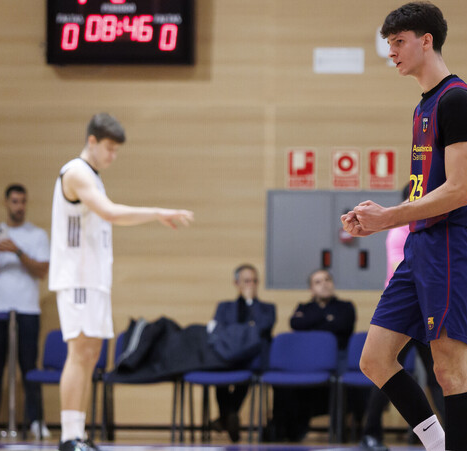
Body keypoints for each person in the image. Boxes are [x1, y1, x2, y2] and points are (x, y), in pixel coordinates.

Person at [341, 3, 467, 450]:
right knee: (375, 358)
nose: (392, 52)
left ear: (427, 40)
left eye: (399, 42)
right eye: (389, 44)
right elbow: (428, 190)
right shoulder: (423, 105)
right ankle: (438, 444)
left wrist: (390, 218)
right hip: (421, 247)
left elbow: (459, 191)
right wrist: (379, 215)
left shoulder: (457, 100)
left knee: (447, 368)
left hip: (451, 245)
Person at [49, 113, 194, 451]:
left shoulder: (94, 177)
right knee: (79, 351)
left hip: (95, 278)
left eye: (117, 150)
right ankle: (69, 436)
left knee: (91, 353)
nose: (113, 156)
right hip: (78, 278)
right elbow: (111, 213)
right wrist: (158, 212)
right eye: (109, 148)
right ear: (92, 142)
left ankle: (79, 431)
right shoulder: (76, 172)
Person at [359, 184, 467, 451]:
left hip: (434, 283)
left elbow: (459, 190)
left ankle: (457, 437)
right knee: (377, 364)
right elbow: (395, 264)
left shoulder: (432, 220)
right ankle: (374, 434)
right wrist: (381, 219)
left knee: (442, 372)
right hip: (411, 294)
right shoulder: (402, 228)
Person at [0, 184, 51, 439]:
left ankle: (36, 420)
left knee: (28, 366)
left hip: (27, 311)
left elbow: (42, 270)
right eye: (15, 202)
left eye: (23, 202)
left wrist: (17, 251)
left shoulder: (37, 235)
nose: (19, 207)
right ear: (6, 203)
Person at [268, 269, 357, 442]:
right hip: (305, 364)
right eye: (318, 281)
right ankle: (283, 432)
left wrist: (313, 321)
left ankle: (341, 431)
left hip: (336, 361)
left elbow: (343, 325)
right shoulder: (304, 306)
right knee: (283, 383)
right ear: (311, 289)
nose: (324, 284)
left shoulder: (345, 307)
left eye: (327, 279)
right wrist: (327, 318)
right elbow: (296, 323)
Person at [210, 264, 275, 442]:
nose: (251, 285)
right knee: (218, 371)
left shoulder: (267, 308)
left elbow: (264, 327)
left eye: (254, 281)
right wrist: (248, 329)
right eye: (246, 281)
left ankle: (225, 418)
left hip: (253, 356)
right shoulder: (224, 307)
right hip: (227, 354)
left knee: (248, 369)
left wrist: (250, 304)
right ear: (236, 283)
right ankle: (229, 415)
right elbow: (219, 331)